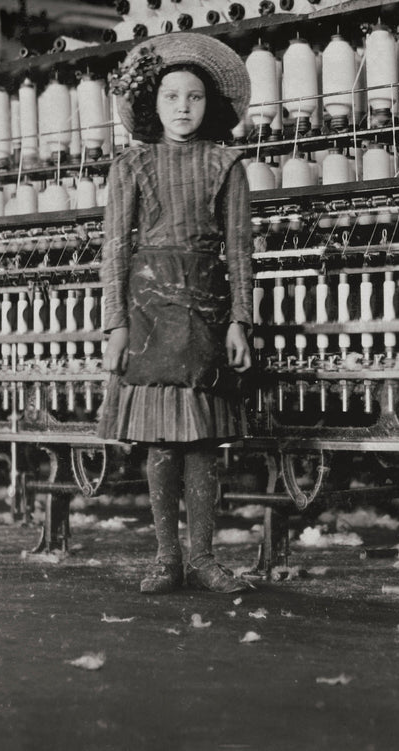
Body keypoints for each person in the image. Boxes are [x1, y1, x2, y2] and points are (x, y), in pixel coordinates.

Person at [98, 32, 254, 595]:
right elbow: (114, 249)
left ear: (209, 104)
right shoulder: (131, 164)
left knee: (203, 441)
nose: (183, 108)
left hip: (208, 309)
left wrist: (241, 321)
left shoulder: (226, 163)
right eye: (171, 97)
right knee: (161, 441)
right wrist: (116, 325)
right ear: (153, 103)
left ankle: (205, 560)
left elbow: (240, 250)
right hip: (148, 312)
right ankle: (167, 559)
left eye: (194, 97)